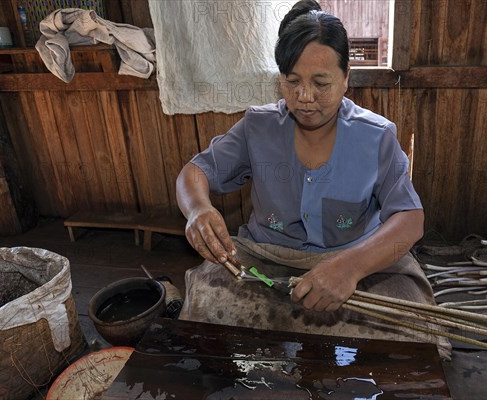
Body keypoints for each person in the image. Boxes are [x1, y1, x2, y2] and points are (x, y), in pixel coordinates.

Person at [177, 0, 448, 357]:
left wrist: (350, 268)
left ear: (347, 76)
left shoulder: (375, 136)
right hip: (267, 262)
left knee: (414, 336)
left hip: (357, 263)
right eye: (292, 82)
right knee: (205, 312)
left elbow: (411, 219)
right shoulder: (258, 126)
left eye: (321, 83)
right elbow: (195, 172)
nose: (304, 98)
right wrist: (197, 209)